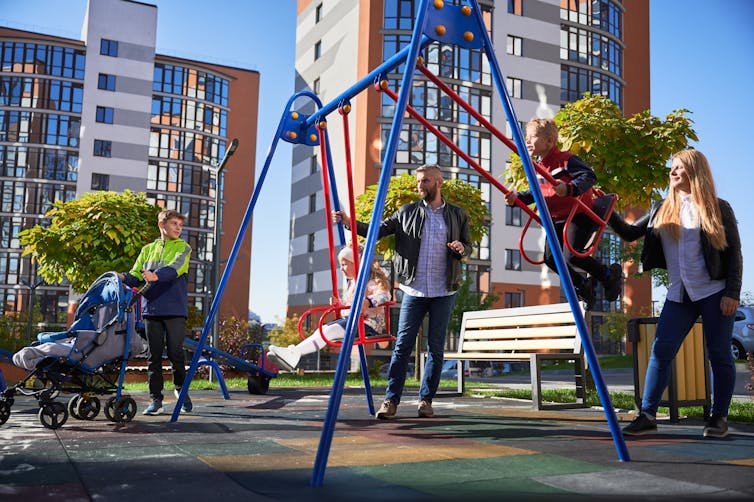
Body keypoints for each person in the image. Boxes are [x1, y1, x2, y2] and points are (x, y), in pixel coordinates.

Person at [610, 149, 742, 438]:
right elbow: (631, 232)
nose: (672, 172)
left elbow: (735, 255)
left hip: (714, 292)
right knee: (661, 351)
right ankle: (647, 415)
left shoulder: (719, 208)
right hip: (678, 294)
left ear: (694, 172)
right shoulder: (661, 208)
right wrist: (602, 209)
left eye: (679, 167)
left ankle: (718, 418)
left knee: (719, 354)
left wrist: (732, 293)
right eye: (672, 167)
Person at [333, 163, 471, 419]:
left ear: (439, 183)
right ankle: (390, 401)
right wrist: (350, 223)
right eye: (419, 181)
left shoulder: (457, 214)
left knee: (436, 348)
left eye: (426, 181)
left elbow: (468, 246)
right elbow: (377, 230)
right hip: (414, 290)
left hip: (444, 290)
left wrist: (461, 249)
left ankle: (426, 400)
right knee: (402, 347)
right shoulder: (406, 212)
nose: (420, 185)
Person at [504, 117, 622, 309]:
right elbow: (536, 193)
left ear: (550, 141)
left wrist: (569, 188)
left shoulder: (566, 160)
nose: (527, 141)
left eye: (532, 137)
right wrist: (517, 199)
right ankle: (582, 284)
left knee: (572, 256)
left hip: (578, 214)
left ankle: (608, 275)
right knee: (551, 259)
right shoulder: (537, 168)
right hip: (556, 219)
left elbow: (588, 176)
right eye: (526, 137)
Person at [266, 246, 391, 371]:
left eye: (344, 265)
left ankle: (293, 354)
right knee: (324, 329)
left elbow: (385, 295)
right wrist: (340, 304)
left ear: (355, 263)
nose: (341, 269)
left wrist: (368, 301)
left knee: (330, 330)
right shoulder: (352, 283)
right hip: (353, 322)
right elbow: (350, 307)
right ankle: (293, 352)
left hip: (367, 326)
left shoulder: (371, 281)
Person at [119, 209, 192, 416]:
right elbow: (135, 275)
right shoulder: (147, 250)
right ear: (162, 225)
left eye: (180, 225)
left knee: (176, 353)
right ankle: (155, 400)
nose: (178, 228)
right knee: (154, 357)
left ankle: (181, 389)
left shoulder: (184, 248)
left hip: (175, 310)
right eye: (174, 224)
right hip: (151, 310)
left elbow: (174, 269)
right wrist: (122, 277)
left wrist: (155, 276)